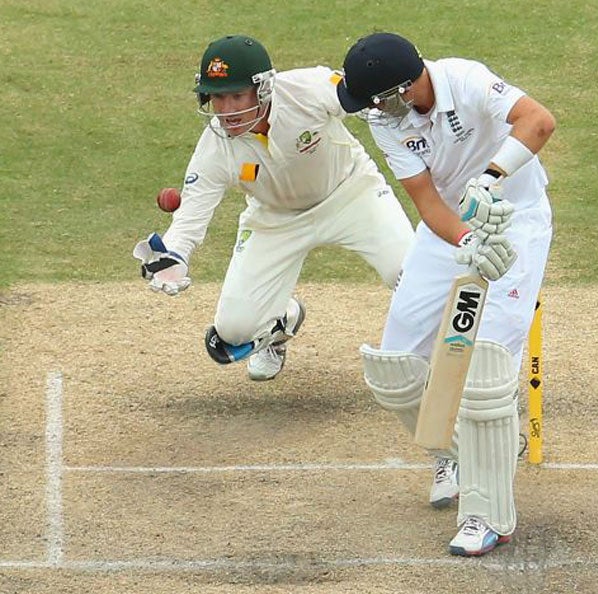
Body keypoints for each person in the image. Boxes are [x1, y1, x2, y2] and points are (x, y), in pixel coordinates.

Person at [336, 32, 555, 556]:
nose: (374, 112)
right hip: (451, 231)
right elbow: (429, 205)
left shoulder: (466, 79)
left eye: (379, 100)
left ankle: (487, 516)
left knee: (485, 371)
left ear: (407, 86)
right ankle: (457, 452)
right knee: (393, 369)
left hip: (515, 220)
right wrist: (467, 240)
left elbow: (539, 121)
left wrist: (492, 177)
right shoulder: (385, 120)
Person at [133, 34, 414, 381]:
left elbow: (357, 90)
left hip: (352, 193)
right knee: (232, 334)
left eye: (236, 96)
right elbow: (190, 217)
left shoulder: (306, 89)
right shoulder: (214, 148)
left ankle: (430, 354)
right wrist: (173, 258)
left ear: (263, 89)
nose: (227, 110)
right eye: (218, 98)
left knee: (411, 273)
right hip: (275, 219)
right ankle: (281, 323)